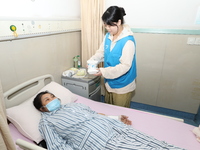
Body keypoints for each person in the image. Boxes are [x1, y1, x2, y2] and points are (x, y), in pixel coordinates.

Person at [33, 91, 184, 150]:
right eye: (47, 99)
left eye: (52, 96)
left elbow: (95, 114)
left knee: (155, 144)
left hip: (116, 128)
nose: (53, 99)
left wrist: (116, 118)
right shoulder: (47, 122)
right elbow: (57, 146)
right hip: (99, 141)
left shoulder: (73, 106)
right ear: (43, 109)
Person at [88, 6, 137, 108]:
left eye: (109, 26)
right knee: (109, 109)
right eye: (105, 25)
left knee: (120, 113)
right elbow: (101, 52)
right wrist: (93, 60)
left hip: (123, 84)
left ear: (118, 22)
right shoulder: (108, 36)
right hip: (109, 81)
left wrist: (103, 72)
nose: (107, 28)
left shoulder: (128, 41)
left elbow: (125, 66)